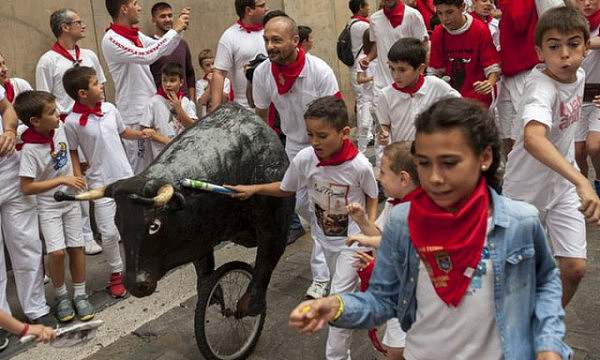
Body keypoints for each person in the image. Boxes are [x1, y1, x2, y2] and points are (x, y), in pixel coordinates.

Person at [289, 97, 572, 360]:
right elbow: (383, 300)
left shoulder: (520, 223)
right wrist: (337, 307)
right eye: (424, 164)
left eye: (449, 163)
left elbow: (545, 284)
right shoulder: (402, 221)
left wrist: (548, 345)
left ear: (485, 158)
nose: (434, 178)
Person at [228, 96, 379, 360]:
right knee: (340, 290)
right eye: (310, 134)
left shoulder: (359, 166)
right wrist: (253, 189)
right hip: (325, 240)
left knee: (338, 300)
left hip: (352, 244)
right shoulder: (305, 159)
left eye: (322, 135)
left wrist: (369, 230)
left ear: (344, 133)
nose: (315, 141)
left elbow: (372, 194)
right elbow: (286, 187)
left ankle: (338, 355)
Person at [504, 5, 599, 308]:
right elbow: (533, 139)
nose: (565, 55)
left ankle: (547, 323)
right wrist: (582, 180)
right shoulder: (539, 87)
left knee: (574, 268)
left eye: (573, 44)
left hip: (561, 187)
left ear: (587, 47)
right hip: (524, 191)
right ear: (539, 52)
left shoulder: (579, 74)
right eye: (554, 47)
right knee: (515, 277)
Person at [252, 14, 342, 298]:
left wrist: (335, 156)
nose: (269, 45)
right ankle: (336, 242)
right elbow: (261, 113)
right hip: (293, 147)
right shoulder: (263, 73)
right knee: (304, 207)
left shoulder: (319, 70)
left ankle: (322, 277)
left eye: (276, 40)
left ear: (295, 40)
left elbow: (337, 115)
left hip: (325, 147)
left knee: (319, 215)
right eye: (266, 39)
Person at [62, 66, 155, 298]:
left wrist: (141, 134)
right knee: (109, 232)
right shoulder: (72, 122)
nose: (101, 85)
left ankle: (140, 265)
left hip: (125, 176)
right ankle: (116, 272)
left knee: (134, 225)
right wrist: (77, 174)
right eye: (95, 83)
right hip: (100, 183)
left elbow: (123, 133)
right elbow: (73, 150)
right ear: (82, 93)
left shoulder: (111, 109)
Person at [15, 90, 94, 323]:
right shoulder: (29, 149)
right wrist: (62, 180)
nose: (58, 113)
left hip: (70, 201)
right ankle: (61, 297)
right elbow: (27, 187)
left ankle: (80, 294)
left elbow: (70, 153)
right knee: (56, 252)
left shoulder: (59, 128)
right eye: (52, 112)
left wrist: (77, 174)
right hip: (48, 206)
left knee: (76, 247)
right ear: (35, 121)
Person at [35, 8, 105, 256]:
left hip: (91, 120)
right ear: (65, 27)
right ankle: (85, 234)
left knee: (98, 168)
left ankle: (106, 224)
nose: (83, 25)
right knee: (76, 176)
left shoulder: (88, 55)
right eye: (78, 22)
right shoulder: (48, 61)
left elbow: (101, 87)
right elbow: (44, 98)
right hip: (65, 124)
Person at [345, 141, 419, 360]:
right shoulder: (394, 204)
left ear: (404, 178)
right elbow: (380, 236)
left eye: (384, 172)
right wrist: (361, 221)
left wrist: (376, 265)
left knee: (396, 351)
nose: (379, 177)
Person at [101, 0, 190, 174]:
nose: (140, 8)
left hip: (150, 108)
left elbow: (163, 49)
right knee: (139, 169)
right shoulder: (111, 39)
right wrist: (173, 31)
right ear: (124, 9)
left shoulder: (136, 35)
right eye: (135, 3)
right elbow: (146, 55)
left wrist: (179, 31)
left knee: (158, 164)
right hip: (134, 114)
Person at [0, 83, 57, 350]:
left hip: (10, 173)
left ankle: (36, 307)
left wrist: (10, 130)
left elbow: (6, 107)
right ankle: (3, 321)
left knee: (28, 244)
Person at [496, 0, 564, 154]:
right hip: (508, 71)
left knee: (525, 134)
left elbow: (557, 20)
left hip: (530, 70)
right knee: (507, 135)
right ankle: (512, 175)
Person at [377, 37, 460, 144]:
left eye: (402, 70)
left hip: (432, 155)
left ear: (420, 69)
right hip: (403, 155)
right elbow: (384, 124)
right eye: (392, 68)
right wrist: (383, 134)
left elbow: (460, 106)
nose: (396, 75)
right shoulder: (386, 95)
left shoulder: (436, 85)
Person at [429, 0, 501, 108]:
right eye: (440, 13)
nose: (444, 19)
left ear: (462, 7)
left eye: (449, 12)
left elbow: (492, 67)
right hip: (451, 101)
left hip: (479, 101)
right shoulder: (438, 34)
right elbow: (435, 72)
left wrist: (489, 83)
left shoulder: (480, 29)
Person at [210, 0, 269, 111]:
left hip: (274, 108)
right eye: (262, 6)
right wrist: (214, 111)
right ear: (248, 10)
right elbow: (219, 73)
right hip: (246, 109)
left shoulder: (271, 31)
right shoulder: (230, 36)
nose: (266, 9)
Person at [140, 62, 198, 159]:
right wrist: (166, 141)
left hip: (184, 154)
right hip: (161, 155)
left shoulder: (185, 101)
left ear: (181, 82)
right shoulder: (153, 102)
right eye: (164, 80)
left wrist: (179, 109)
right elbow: (143, 130)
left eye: (172, 80)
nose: (168, 85)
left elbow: (193, 127)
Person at [574, 0, 600, 195]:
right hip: (576, 96)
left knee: (595, 146)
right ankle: (583, 192)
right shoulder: (570, 23)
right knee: (577, 152)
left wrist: (578, 42)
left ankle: (599, 183)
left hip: (599, 95)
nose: (588, 2)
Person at [149, 2, 196, 101]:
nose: (167, 20)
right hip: (160, 103)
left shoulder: (183, 44)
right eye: (162, 16)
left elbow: (190, 74)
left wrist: (191, 101)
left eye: (170, 16)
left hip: (184, 102)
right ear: (153, 20)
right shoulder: (150, 46)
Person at [354, 30, 377, 153]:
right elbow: (359, 79)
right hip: (368, 98)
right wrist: (372, 78)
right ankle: (360, 153)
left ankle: (381, 156)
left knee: (381, 128)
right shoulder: (363, 58)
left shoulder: (383, 56)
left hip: (380, 97)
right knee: (364, 126)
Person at [195, 49, 231, 117]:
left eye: (213, 64)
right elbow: (202, 102)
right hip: (206, 117)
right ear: (202, 67)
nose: (211, 67)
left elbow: (225, 99)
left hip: (222, 116)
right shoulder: (200, 83)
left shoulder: (226, 80)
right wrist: (210, 85)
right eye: (207, 65)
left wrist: (215, 83)